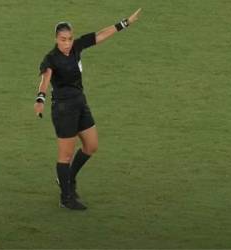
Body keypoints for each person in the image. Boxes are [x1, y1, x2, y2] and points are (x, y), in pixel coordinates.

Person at [34, 8, 142, 210]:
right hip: (64, 108)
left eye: (69, 39)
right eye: (63, 39)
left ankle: (67, 179)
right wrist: (40, 99)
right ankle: (66, 198)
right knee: (65, 155)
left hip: (80, 102)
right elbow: (45, 78)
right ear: (56, 39)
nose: (67, 43)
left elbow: (100, 35)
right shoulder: (51, 58)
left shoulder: (76, 47)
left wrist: (125, 23)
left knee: (91, 146)